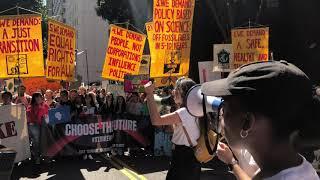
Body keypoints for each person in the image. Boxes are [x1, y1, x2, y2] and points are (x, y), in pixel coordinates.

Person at [201, 61, 320, 180]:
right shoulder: (297, 167)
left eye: (225, 110)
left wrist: (232, 162)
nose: (221, 117)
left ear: (247, 122)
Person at [144, 77, 201, 180]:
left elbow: (156, 121)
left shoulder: (183, 112)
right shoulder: (196, 109)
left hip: (182, 158)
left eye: (176, 89)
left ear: (183, 93)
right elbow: (174, 131)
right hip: (193, 157)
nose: (173, 91)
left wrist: (149, 94)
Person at [26, 92, 49, 164]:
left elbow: (49, 113)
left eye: (40, 97)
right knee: (36, 141)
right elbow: (30, 116)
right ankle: (36, 157)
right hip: (34, 125)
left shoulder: (45, 105)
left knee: (43, 141)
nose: (39, 98)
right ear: (34, 99)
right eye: (37, 97)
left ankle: (43, 155)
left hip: (44, 126)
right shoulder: (31, 106)